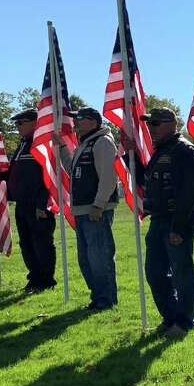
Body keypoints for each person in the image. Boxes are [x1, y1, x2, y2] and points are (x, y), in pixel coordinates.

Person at [128, 108, 194, 337]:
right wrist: (129, 156)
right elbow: (146, 181)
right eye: (150, 124)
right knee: (154, 272)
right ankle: (169, 318)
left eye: (157, 123)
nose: (152, 128)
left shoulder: (185, 151)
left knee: (182, 273)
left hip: (176, 221)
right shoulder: (160, 152)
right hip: (158, 220)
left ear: (172, 124)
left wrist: (179, 227)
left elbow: (188, 193)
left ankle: (184, 322)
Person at [56, 107, 119, 311]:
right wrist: (62, 148)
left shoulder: (102, 143)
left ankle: (106, 299)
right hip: (82, 210)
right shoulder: (85, 144)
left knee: (99, 256)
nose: (76, 123)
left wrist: (99, 204)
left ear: (93, 122)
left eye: (80, 119)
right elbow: (72, 169)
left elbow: (109, 177)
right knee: (86, 259)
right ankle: (98, 296)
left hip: (95, 210)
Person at [0, 109, 56, 292]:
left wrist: (42, 203)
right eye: (16, 124)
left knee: (41, 242)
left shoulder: (41, 143)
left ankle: (46, 280)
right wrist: (0, 175)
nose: (17, 127)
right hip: (22, 203)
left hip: (38, 204)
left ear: (35, 122)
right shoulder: (23, 145)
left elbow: (48, 176)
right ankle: (34, 277)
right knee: (26, 243)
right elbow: (17, 174)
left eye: (21, 123)